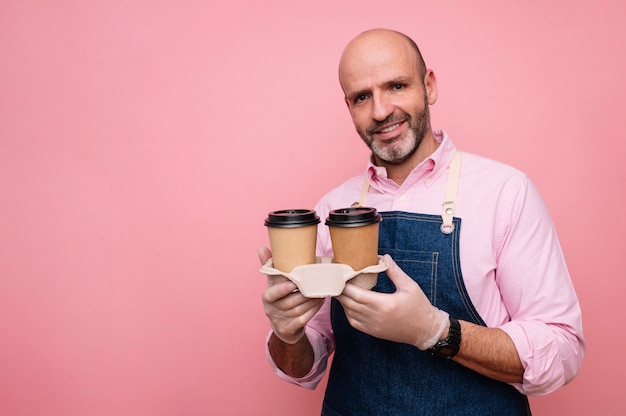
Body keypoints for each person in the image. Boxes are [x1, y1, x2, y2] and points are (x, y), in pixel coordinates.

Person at [259, 28, 585, 415]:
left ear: (429, 86)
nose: (380, 111)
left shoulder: (505, 193)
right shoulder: (334, 208)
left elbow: (562, 349)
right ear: (349, 108)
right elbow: (304, 365)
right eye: (362, 97)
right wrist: (287, 332)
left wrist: (436, 331)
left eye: (396, 85)